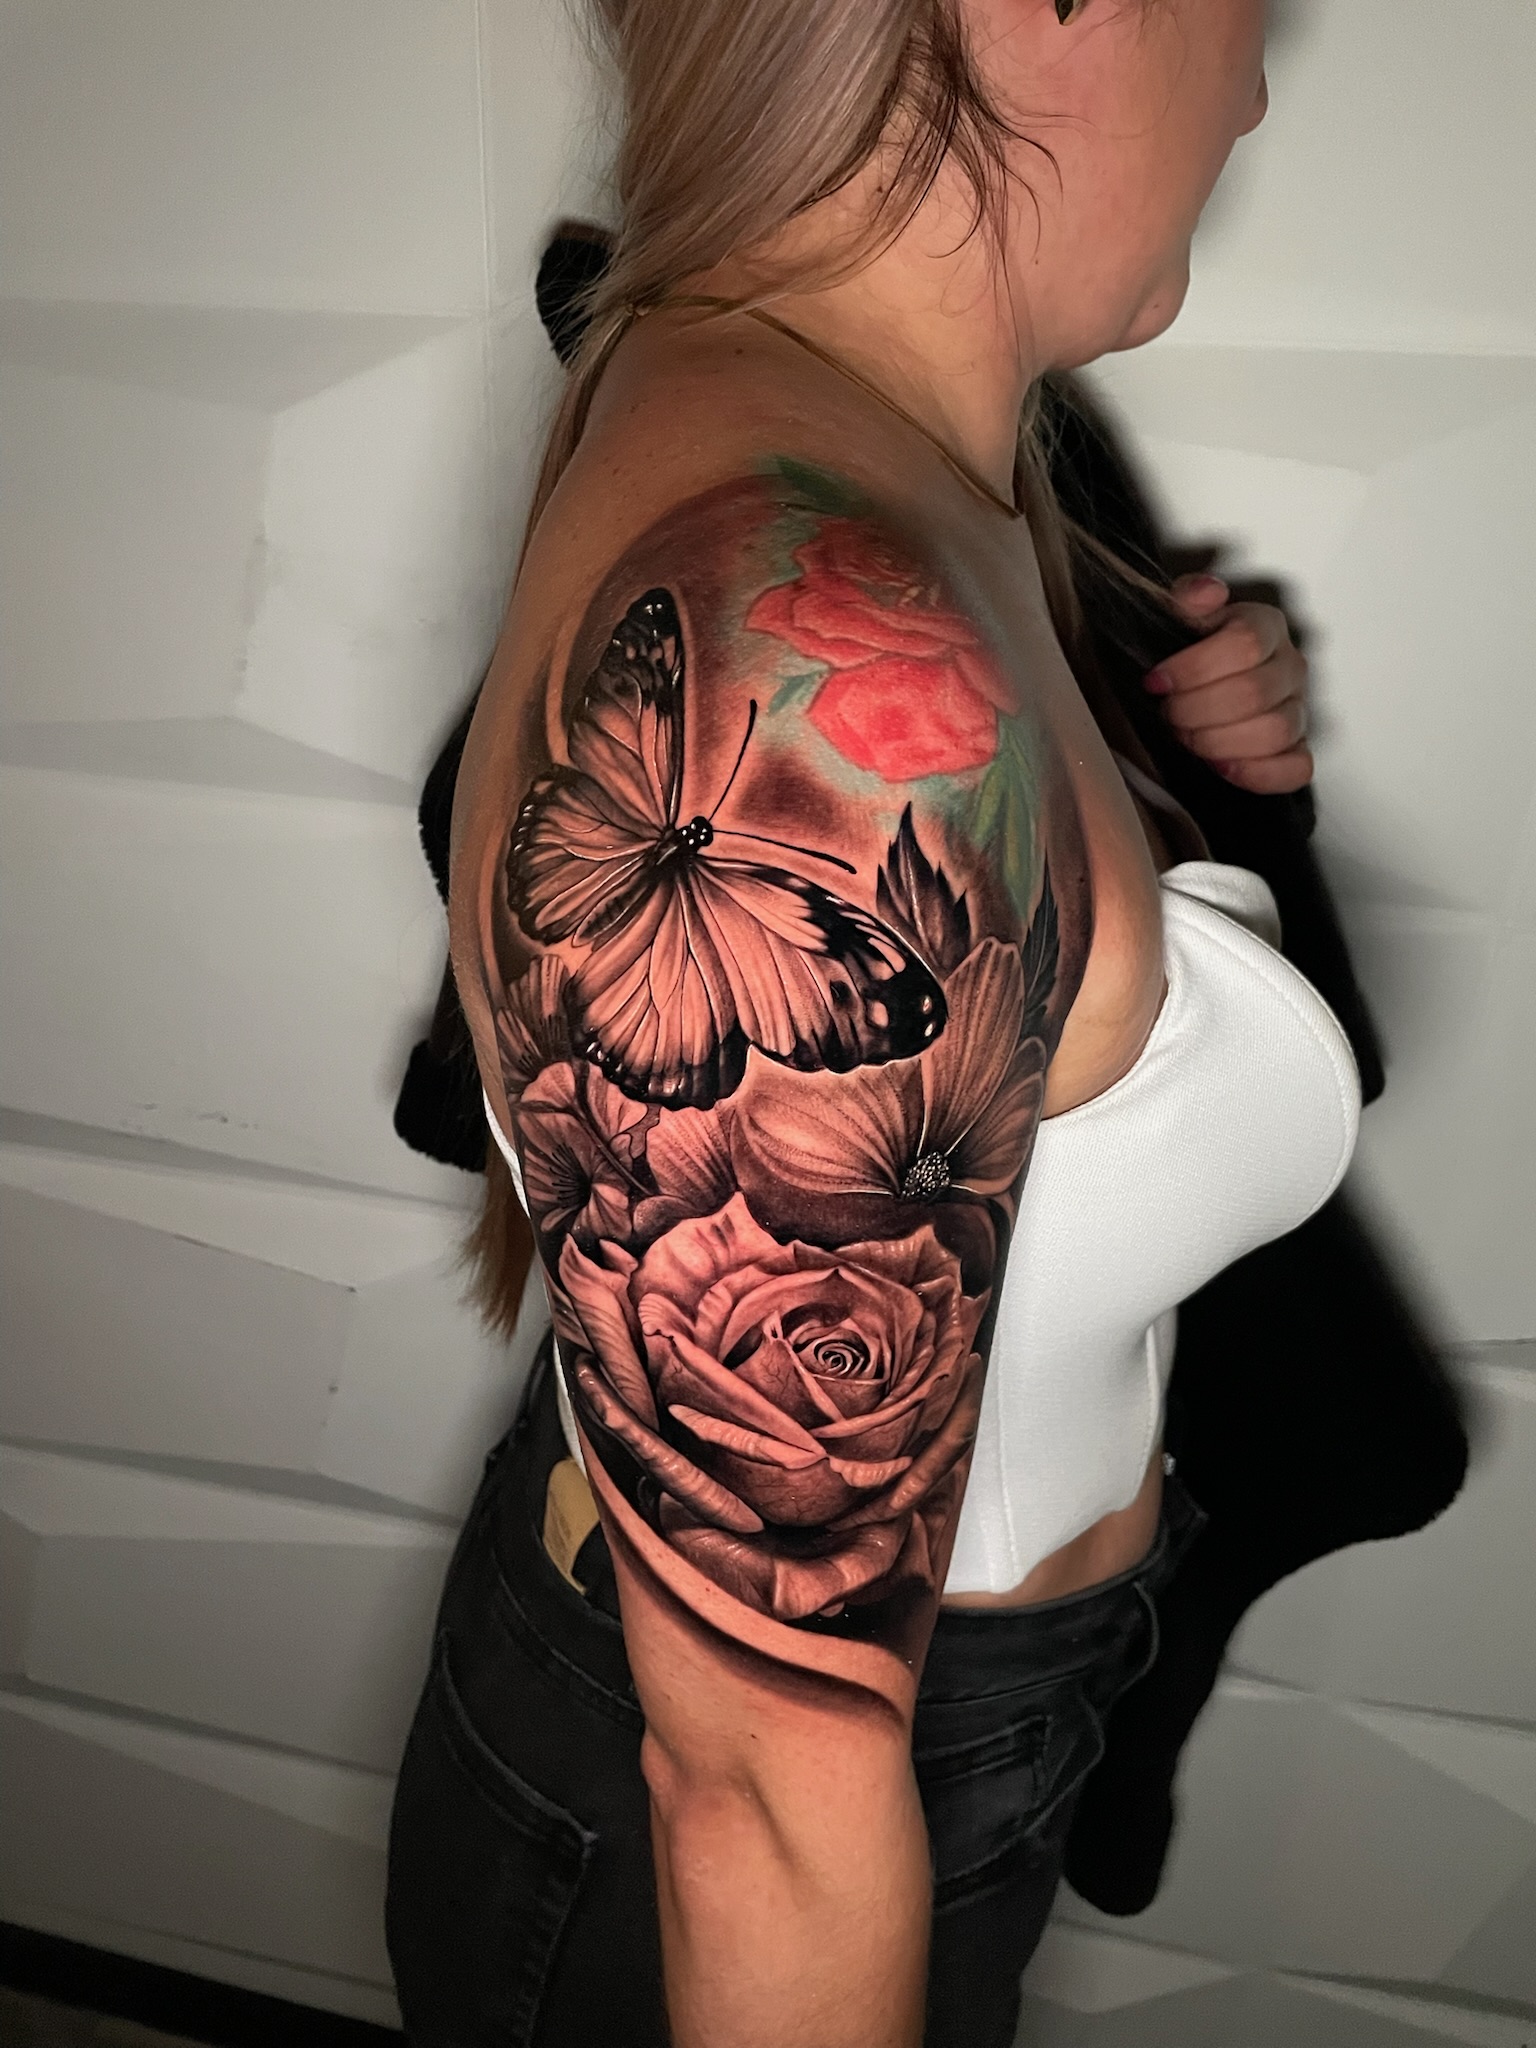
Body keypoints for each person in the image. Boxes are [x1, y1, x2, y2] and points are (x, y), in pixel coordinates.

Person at [385, 5, 1366, 2044]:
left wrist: (1191, 777)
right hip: (777, 1843)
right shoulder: (811, 664)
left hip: (932, 1735)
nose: (1263, 86)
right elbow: (757, 1795)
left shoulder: (852, 439)